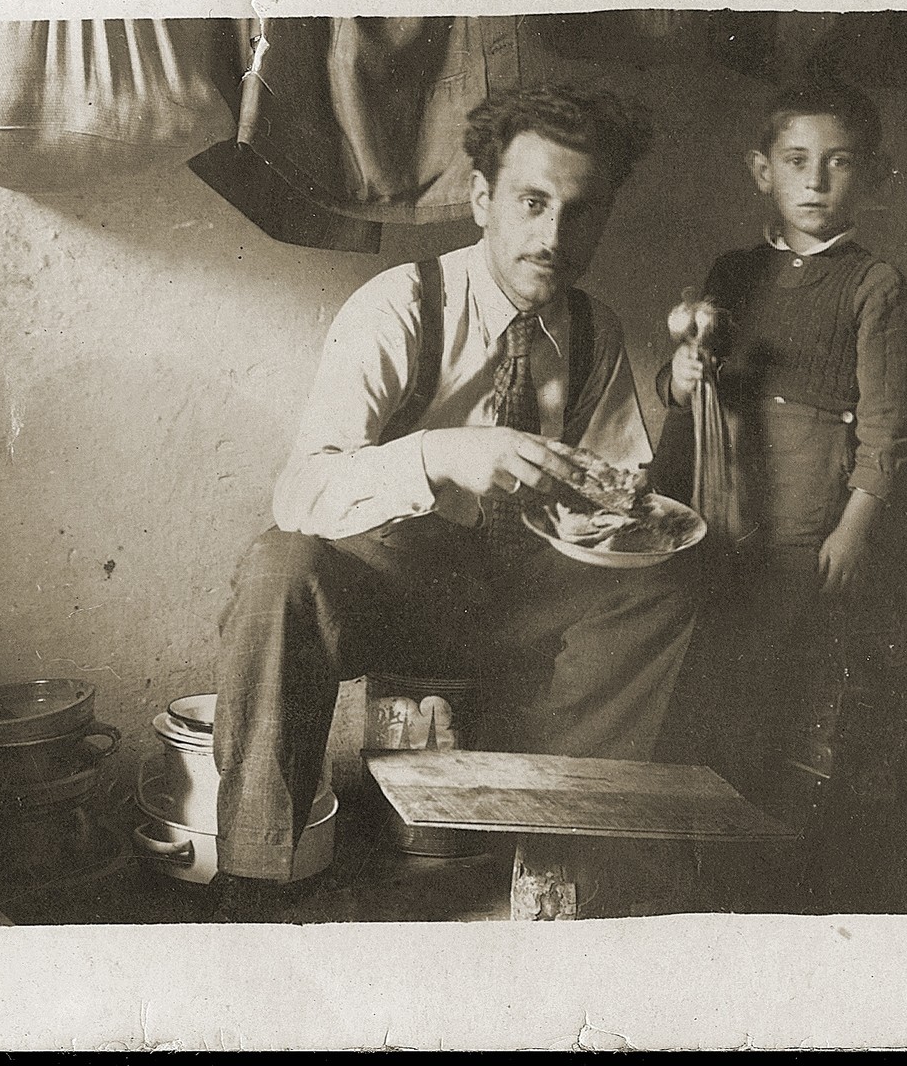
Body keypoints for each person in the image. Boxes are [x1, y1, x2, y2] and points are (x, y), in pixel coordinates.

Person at [210, 84, 699, 912]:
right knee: (278, 565)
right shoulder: (400, 307)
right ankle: (259, 878)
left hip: (521, 593)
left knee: (668, 584)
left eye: (580, 212)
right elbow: (301, 491)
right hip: (398, 587)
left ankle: (545, 839)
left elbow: (619, 496)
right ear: (481, 199)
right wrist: (444, 454)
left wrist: (630, 492)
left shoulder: (596, 331)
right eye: (531, 203)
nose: (552, 238)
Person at [653, 75, 907, 903]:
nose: (814, 181)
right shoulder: (729, 273)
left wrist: (855, 528)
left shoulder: (875, 284)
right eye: (796, 160)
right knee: (692, 680)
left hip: (803, 516)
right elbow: (677, 391)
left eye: (837, 164)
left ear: (868, 175)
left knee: (766, 690)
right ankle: (678, 865)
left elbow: (886, 429)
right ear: (759, 169)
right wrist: (678, 369)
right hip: (716, 495)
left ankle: (746, 879)